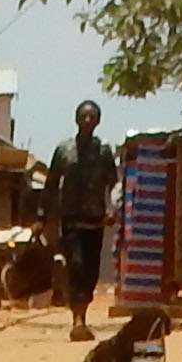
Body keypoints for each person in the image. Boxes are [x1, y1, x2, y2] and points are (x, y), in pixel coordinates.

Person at [43, 100, 120, 341]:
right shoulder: (64, 150)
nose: (87, 121)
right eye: (83, 116)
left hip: (95, 221)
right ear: (76, 119)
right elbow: (51, 185)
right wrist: (42, 217)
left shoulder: (104, 151)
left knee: (90, 272)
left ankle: (82, 313)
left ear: (98, 121)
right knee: (75, 265)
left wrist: (112, 208)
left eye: (92, 117)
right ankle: (77, 320)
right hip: (71, 220)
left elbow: (113, 182)